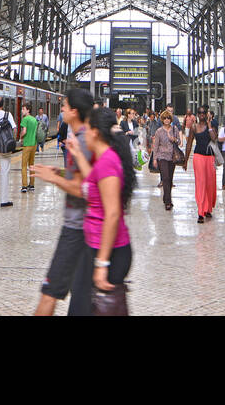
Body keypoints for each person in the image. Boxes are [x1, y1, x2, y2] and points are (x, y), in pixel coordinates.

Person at [31, 88, 96, 316]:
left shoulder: (84, 141)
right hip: (85, 229)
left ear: (75, 111)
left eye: (65, 106)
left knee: (50, 293)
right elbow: (82, 177)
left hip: (76, 229)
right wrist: (59, 172)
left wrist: (53, 179)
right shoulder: (84, 137)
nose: (62, 110)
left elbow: (84, 188)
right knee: (81, 300)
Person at [65, 107, 136, 312]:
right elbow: (93, 183)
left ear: (95, 132)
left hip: (110, 251)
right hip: (96, 245)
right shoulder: (104, 160)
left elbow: (112, 214)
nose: (83, 132)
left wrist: (102, 264)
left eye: (86, 128)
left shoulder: (107, 162)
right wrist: (78, 153)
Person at [185, 110, 218, 222]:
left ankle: (208, 208)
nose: (202, 114)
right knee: (200, 183)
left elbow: (214, 138)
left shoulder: (212, 126)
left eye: (204, 112)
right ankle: (200, 212)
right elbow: (189, 143)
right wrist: (185, 160)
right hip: (198, 157)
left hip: (210, 157)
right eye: (199, 112)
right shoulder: (194, 127)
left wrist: (209, 125)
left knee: (210, 183)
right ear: (197, 115)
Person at [149, 110, 182, 210]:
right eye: (165, 118)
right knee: (165, 178)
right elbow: (156, 146)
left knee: (170, 179)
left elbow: (179, 141)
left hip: (172, 157)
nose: (167, 120)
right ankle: (168, 201)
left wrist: (174, 139)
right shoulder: (159, 131)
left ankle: (166, 197)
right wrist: (155, 159)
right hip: (162, 157)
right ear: (162, 120)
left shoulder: (174, 129)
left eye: (168, 118)